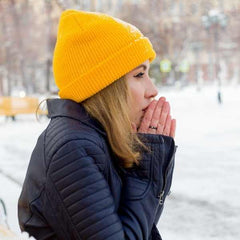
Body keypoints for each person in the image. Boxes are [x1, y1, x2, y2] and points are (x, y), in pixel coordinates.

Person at [18, 9, 177, 240]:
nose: (153, 91)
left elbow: (142, 227)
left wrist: (153, 162)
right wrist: (147, 171)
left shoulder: (95, 137)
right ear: (106, 85)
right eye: (139, 75)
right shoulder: (73, 148)